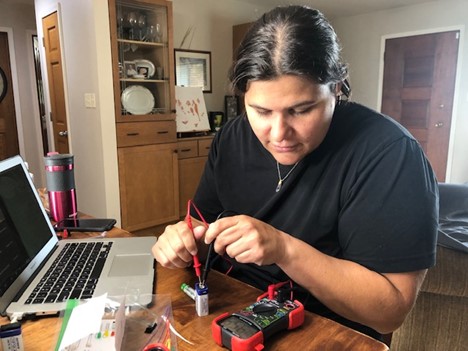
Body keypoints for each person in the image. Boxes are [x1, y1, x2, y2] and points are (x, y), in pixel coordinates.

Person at [152, 5, 438, 340]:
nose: (277, 134)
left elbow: (389, 312)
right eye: (260, 111)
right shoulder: (232, 136)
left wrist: (284, 249)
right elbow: (203, 229)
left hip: (327, 331)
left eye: (300, 110)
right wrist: (182, 241)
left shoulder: (389, 154)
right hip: (232, 312)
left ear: (337, 89)